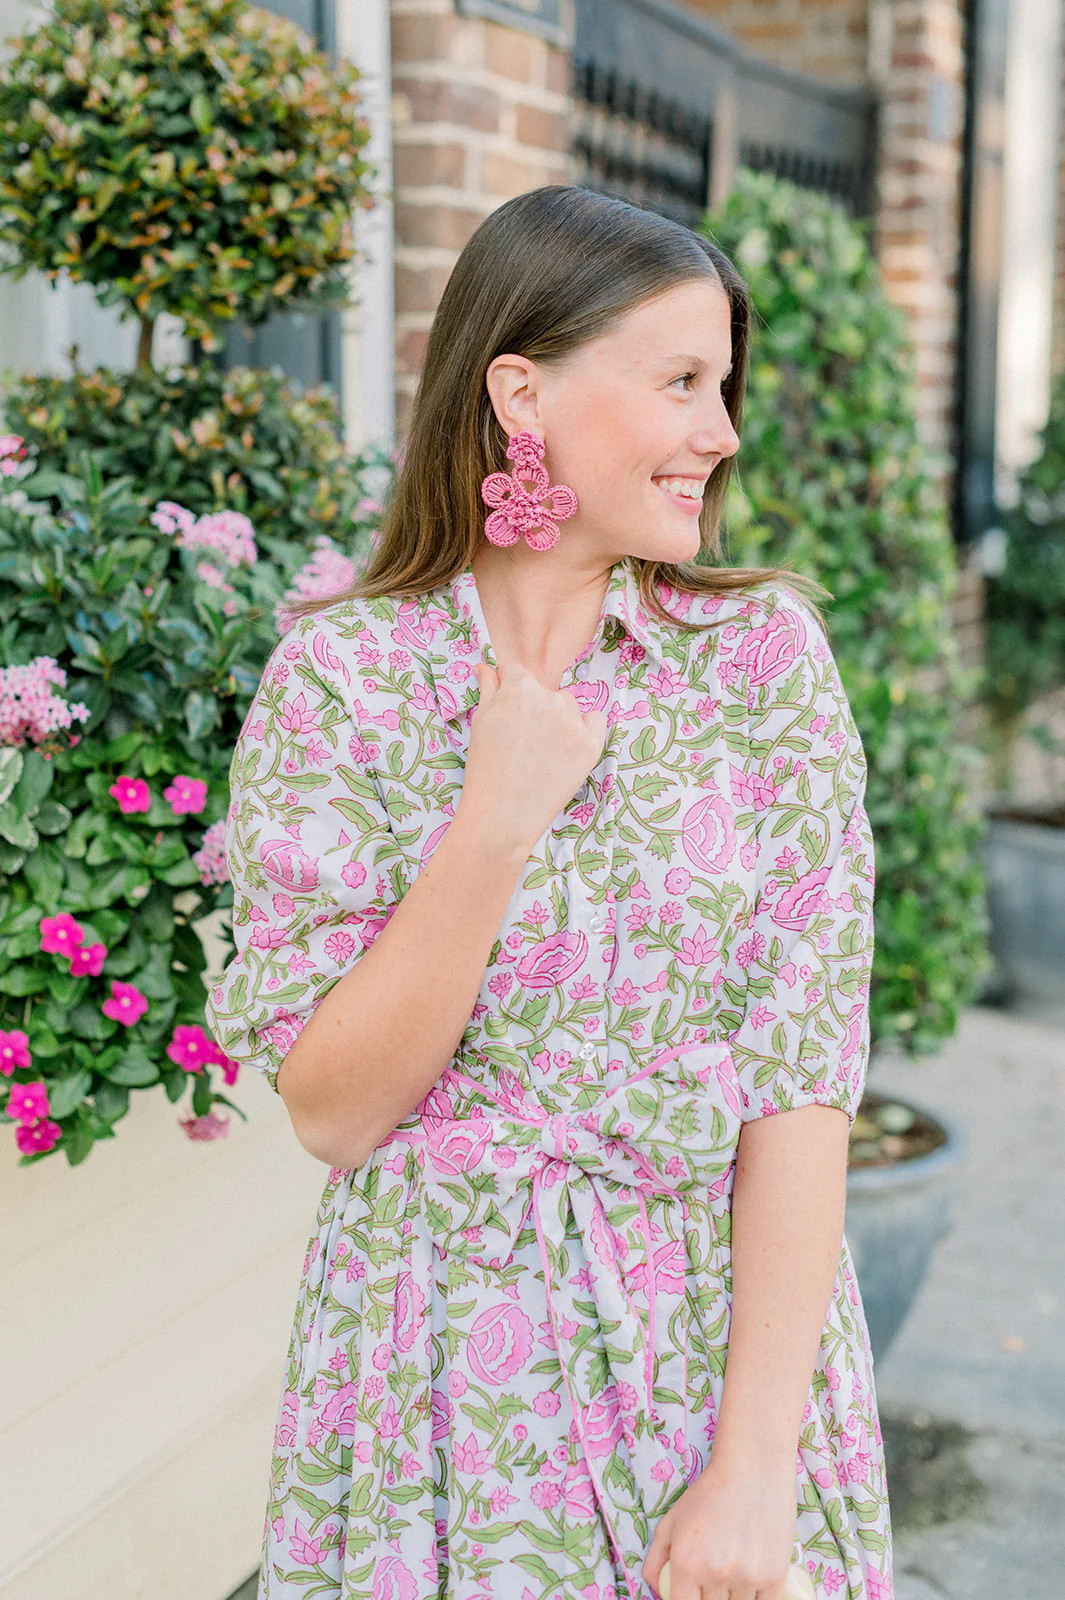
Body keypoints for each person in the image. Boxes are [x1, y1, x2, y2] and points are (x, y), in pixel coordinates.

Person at [205, 184, 893, 1600]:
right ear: (521, 393)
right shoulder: (341, 680)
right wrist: (494, 823)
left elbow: (801, 1076)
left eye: (723, 386)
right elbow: (335, 1112)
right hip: (434, 1365)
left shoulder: (760, 662)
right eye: (680, 383)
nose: (723, 431)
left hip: (711, 1352)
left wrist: (753, 1467)